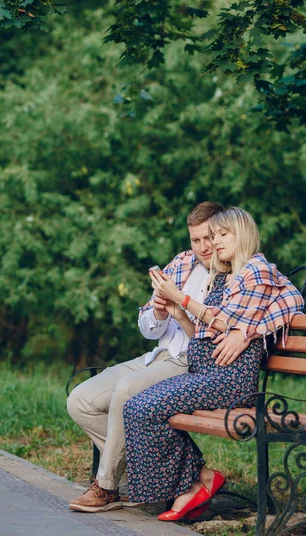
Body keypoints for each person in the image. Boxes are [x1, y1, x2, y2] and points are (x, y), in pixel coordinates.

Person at [122, 207, 305, 521]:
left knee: (144, 409)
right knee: (136, 406)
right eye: (212, 235)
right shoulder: (224, 275)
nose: (215, 241)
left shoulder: (256, 270)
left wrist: (248, 331)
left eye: (222, 234)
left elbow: (291, 301)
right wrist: (180, 313)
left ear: (242, 234)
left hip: (228, 380)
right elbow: (206, 333)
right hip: (204, 374)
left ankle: (190, 486)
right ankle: (195, 482)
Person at [67, 201, 225, 512]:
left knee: (126, 391)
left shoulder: (230, 273)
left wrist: (182, 310)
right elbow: (147, 328)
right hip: (156, 355)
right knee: (80, 400)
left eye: (209, 238)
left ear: (223, 234)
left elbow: (213, 336)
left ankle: (107, 486)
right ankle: (181, 474)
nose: (204, 247)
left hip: (190, 364)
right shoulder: (182, 264)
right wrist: (156, 310)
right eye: (196, 240)